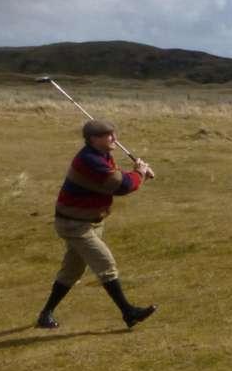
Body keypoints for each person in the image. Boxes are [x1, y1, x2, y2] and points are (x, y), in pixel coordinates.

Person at [36, 119, 157, 330]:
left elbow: (120, 177)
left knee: (71, 271)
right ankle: (129, 313)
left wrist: (139, 172)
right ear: (94, 139)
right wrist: (140, 173)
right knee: (106, 265)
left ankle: (45, 314)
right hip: (74, 225)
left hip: (89, 222)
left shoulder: (103, 156)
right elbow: (121, 185)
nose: (114, 139)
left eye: (114, 134)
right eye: (108, 135)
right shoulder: (90, 160)